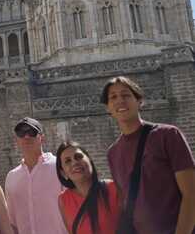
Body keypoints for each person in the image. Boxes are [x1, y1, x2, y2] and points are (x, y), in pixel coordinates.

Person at [102, 76, 195, 234]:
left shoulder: (167, 135)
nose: (120, 101)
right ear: (108, 108)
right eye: (113, 97)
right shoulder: (113, 153)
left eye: (126, 95)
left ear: (139, 101)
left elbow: (191, 193)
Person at [4, 117, 67, 234]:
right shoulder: (12, 177)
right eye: (21, 133)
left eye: (32, 132)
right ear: (16, 140)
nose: (26, 137)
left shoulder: (59, 166)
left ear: (42, 138)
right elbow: (12, 222)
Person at [55, 141, 120, 234]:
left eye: (78, 157)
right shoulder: (64, 200)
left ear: (89, 160)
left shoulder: (113, 188)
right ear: (63, 173)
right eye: (68, 161)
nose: (74, 162)